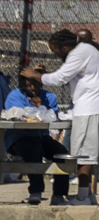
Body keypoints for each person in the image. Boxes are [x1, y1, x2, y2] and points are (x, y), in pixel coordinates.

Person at [22, 28, 99, 205]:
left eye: (54, 50)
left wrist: (35, 75)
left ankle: (83, 197)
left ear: (63, 47)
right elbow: (66, 77)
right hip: (90, 107)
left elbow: (60, 78)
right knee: (85, 153)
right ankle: (87, 195)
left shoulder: (79, 52)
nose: (55, 55)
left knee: (83, 154)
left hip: (91, 108)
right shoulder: (86, 51)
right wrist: (43, 75)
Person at [4, 73, 70, 205]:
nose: (32, 88)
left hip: (41, 135)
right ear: (22, 86)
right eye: (28, 85)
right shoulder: (15, 96)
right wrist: (39, 109)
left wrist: (40, 107)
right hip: (20, 136)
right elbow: (22, 116)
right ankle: (36, 191)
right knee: (33, 149)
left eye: (35, 84)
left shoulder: (49, 97)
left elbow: (53, 116)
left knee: (61, 152)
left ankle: (59, 194)